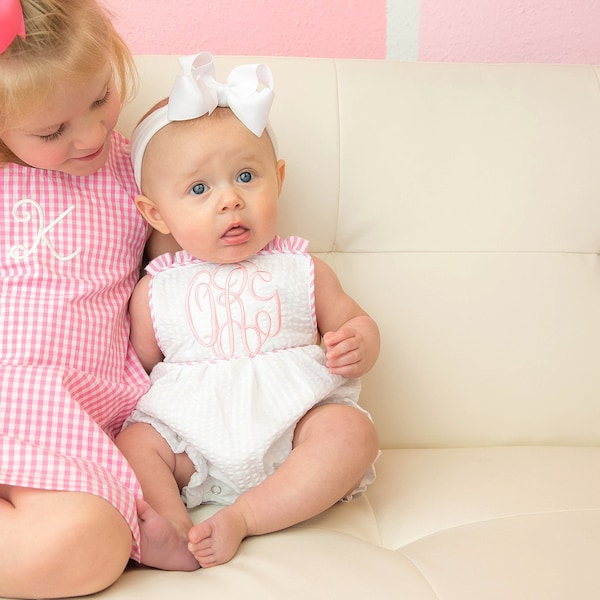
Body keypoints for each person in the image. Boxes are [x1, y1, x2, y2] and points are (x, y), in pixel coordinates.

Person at [116, 51, 381, 571]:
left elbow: (354, 320)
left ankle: (246, 516)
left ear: (277, 179)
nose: (229, 202)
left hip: (293, 425)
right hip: (195, 439)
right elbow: (139, 366)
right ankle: (172, 525)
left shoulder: (303, 269)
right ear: (156, 213)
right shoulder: (156, 289)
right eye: (199, 189)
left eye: (245, 177)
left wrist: (359, 342)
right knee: (134, 441)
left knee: (353, 434)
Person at [0, 1, 177, 597]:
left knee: (92, 539)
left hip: (64, 415)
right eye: (52, 132)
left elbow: (183, 281)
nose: (92, 135)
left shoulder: (143, 174)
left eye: (101, 97)